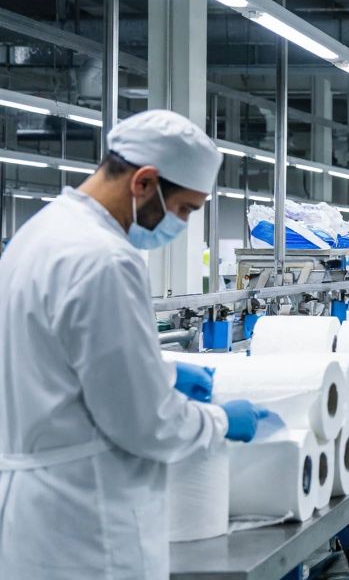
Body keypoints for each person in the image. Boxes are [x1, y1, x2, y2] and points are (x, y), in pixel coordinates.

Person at [0, 110, 268, 578]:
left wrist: (160, 371)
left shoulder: (40, 234)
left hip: (34, 513)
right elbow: (146, 423)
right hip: (89, 523)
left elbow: (62, 360)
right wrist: (222, 421)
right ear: (144, 182)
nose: (181, 223)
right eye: (184, 209)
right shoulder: (104, 259)